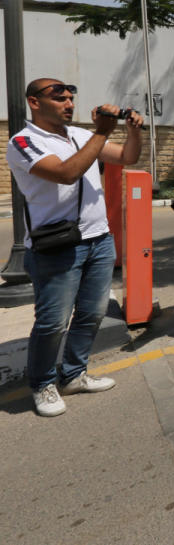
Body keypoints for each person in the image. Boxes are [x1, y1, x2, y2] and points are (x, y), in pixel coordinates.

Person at [5, 78, 143, 417]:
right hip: (57, 245)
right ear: (34, 103)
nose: (69, 104)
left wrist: (132, 130)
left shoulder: (81, 135)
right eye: (60, 99)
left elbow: (127, 157)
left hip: (99, 238)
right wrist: (102, 132)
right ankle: (42, 384)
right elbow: (67, 173)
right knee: (52, 323)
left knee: (92, 314)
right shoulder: (23, 141)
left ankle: (73, 375)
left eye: (70, 98)